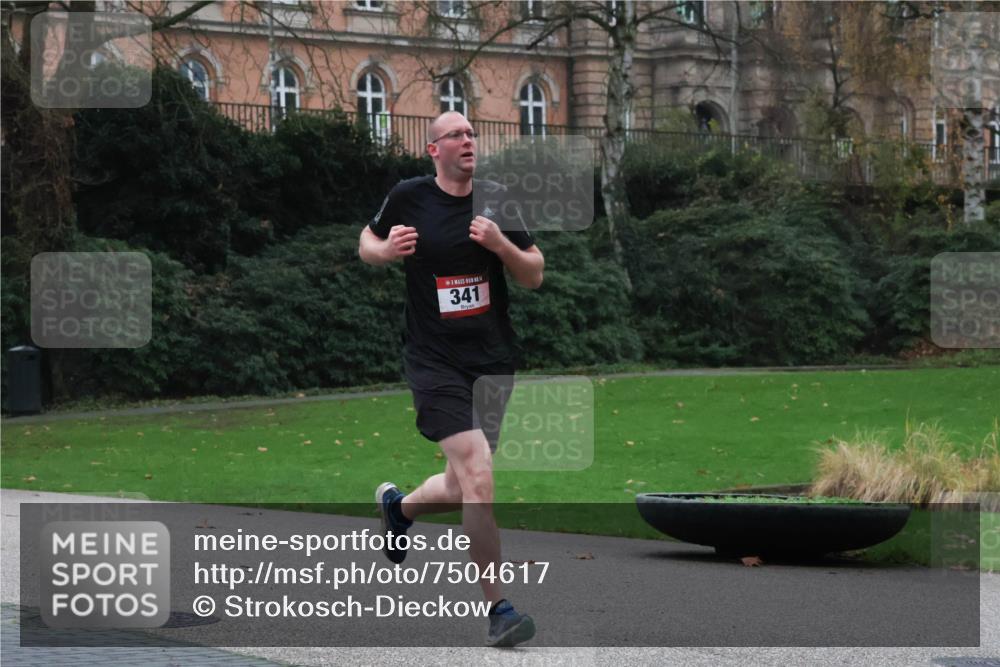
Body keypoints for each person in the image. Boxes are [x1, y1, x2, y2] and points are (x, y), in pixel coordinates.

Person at [358, 111, 544, 648]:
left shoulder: (496, 200)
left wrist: (501, 245)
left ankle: (399, 509)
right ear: (433, 149)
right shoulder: (410, 197)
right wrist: (385, 251)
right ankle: (499, 610)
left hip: (491, 361)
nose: (468, 141)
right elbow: (366, 242)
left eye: (471, 134)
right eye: (456, 135)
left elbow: (534, 273)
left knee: (461, 484)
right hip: (434, 360)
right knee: (478, 474)